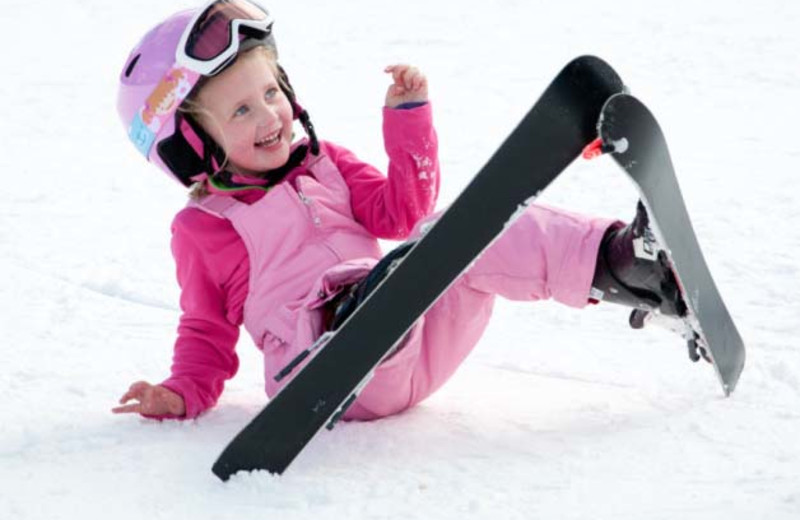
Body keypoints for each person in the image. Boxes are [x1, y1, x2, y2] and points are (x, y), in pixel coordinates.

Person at [112, 0, 683, 421]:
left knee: (466, 232)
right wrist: (182, 391)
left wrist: (408, 119)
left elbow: (402, 213)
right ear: (191, 147)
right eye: (239, 111)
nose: (269, 116)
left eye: (270, 92)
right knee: (370, 284)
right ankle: (357, 311)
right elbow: (205, 327)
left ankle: (624, 264)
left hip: (421, 334)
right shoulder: (205, 228)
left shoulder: (327, 164)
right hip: (328, 373)